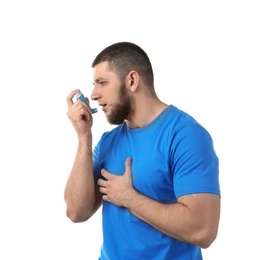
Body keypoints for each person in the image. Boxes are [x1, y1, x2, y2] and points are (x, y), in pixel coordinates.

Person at [64, 42, 221, 260]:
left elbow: (203, 230)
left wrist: (129, 198)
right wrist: (84, 138)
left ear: (132, 80)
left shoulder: (186, 136)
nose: (94, 94)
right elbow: (75, 212)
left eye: (102, 82)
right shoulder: (108, 141)